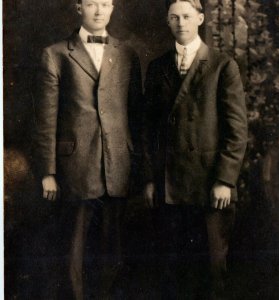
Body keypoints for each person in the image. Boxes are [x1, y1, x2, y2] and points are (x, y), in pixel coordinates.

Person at [34, 0, 142, 298]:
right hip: (75, 168)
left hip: (117, 165)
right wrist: (48, 172)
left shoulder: (127, 53)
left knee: (113, 249)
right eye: (92, 3)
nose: (99, 10)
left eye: (105, 4)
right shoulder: (55, 55)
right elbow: (46, 118)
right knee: (74, 250)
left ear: (113, 8)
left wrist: (137, 163)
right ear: (78, 7)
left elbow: (136, 114)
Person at [142, 0, 247, 299]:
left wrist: (225, 181)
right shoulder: (158, 67)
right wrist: (150, 179)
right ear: (167, 20)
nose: (181, 23)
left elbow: (236, 131)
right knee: (173, 270)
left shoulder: (222, 65)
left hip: (210, 185)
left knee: (212, 269)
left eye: (187, 16)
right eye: (174, 17)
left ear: (200, 18)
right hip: (169, 186)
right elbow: (149, 130)